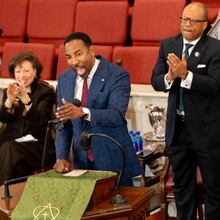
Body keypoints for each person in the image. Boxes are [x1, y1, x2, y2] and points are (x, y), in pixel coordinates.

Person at [151, 2, 220, 220]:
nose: (187, 24)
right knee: (183, 189)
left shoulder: (216, 48)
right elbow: (155, 80)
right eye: (184, 19)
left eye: (193, 20)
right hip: (177, 131)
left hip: (207, 133)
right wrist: (170, 77)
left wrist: (186, 75)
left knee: (214, 191)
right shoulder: (168, 44)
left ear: (205, 25)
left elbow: (215, 85)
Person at [53, 32, 142, 185]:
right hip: (81, 164)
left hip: (114, 161)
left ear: (91, 51)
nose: (74, 61)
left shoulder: (117, 75)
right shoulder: (64, 79)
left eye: (78, 54)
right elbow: (63, 123)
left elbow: (116, 115)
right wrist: (61, 157)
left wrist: (83, 113)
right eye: (68, 57)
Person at [0, 52, 56, 185]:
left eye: (26, 70)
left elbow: (41, 119)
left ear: (35, 71)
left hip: (36, 146)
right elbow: (4, 118)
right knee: (16, 165)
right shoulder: (10, 90)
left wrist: (26, 100)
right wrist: (9, 101)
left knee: (8, 148)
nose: (21, 75)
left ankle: (2, 197)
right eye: (18, 71)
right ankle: (8, 199)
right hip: (12, 146)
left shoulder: (45, 91)